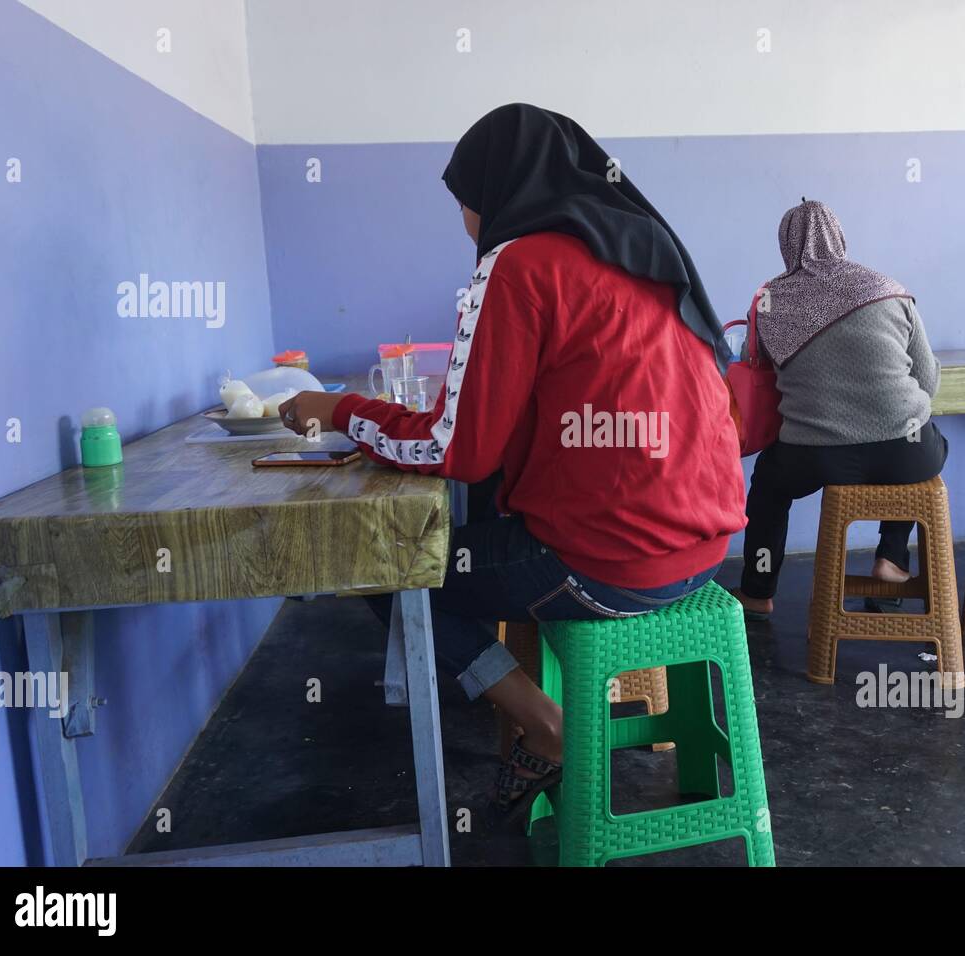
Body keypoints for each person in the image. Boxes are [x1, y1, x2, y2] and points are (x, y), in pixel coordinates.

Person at [279, 103, 745, 821]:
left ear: (492, 193)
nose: (465, 219)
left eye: (464, 201)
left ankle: (544, 721)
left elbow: (456, 450)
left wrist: (338, 411)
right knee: (487, 525)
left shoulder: (520, 261)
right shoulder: (645, 249)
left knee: (380, 565)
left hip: (611, 564)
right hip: (709, 548)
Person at [732, 200, 947, 620]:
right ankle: (891, 558)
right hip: (906, 448)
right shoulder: (888, 289)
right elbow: (928, 381)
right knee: (924, 453)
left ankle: (758, 590)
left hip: (814, 455)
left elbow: (755, 367)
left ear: (785, 246)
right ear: (840, 237)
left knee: (769, 487)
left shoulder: (769, 302)